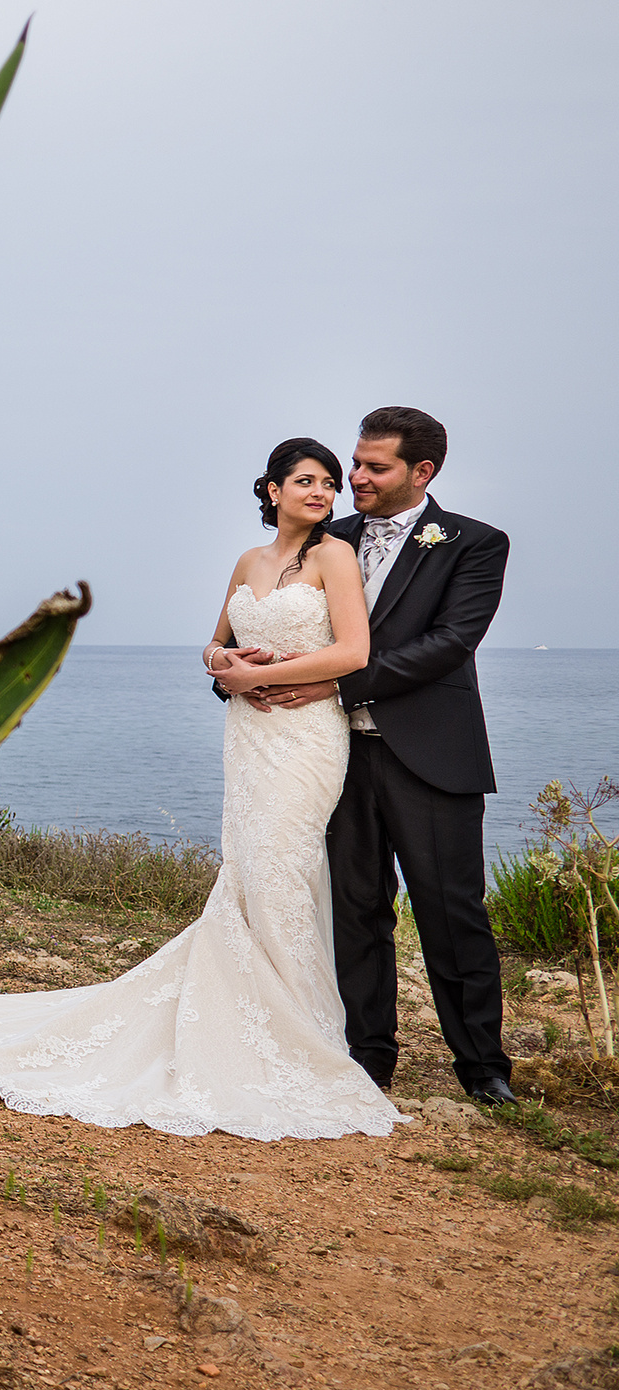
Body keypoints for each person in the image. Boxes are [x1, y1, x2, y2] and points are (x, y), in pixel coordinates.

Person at [0, 438, 404, 1140]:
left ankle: (298, 1025)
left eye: (329, 482)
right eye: (305, 480)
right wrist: (224, 661)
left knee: (283, 863)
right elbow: (212, 644)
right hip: (248, 735)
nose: (322, 492)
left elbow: (353, 652)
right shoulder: (249, 561)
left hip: (303, 736)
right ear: (272, 490)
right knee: (247, 866)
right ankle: (248, 1008)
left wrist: (258, 676)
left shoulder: (335, 556)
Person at [242, 407, 512, 1104]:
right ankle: (368, 1057)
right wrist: (236, 672)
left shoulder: (475, 543)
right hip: (334, 756)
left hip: (432, 755)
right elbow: (270, 625)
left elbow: (449, 642)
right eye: (355, 463)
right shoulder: (326, 539)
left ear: (422, 472)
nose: (354, 477)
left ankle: (482, 1067)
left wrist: (337, 683)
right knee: (356, 910)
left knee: (452, 912)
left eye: (374, 467)